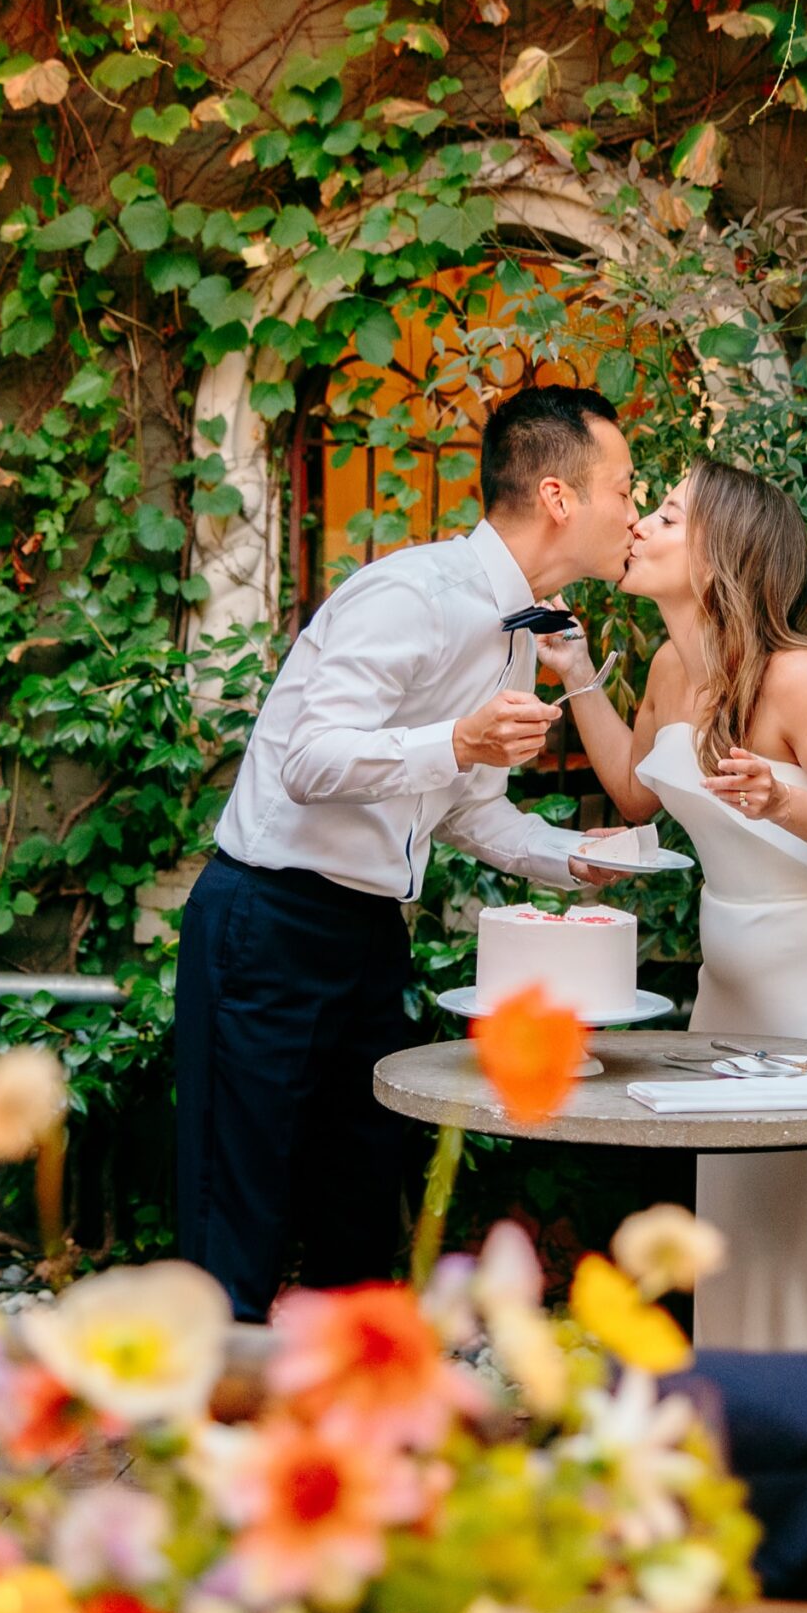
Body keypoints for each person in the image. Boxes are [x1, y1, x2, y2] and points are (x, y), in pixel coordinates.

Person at [175, 383, 639, 1321]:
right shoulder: (412, 594)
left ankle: (344, 1441)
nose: (635, 509)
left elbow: (467, 811)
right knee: (237, 1217)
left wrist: (573, 859)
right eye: (625, 489)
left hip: (366, 937)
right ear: (560, 497)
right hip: (267, 923)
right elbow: (309, 760)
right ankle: (207, 1444)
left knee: (358, 1208)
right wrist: (459, 740)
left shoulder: (517, 631)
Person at [537, 455, 807, 1352]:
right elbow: (635, 793)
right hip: (732, 995)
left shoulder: (801, 678)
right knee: (735, 1244)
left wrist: (785, 799)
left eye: (669, 517)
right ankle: (748, 1445)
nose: (640, 523)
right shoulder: (669, 671)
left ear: (722, 554)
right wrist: (573, 669)